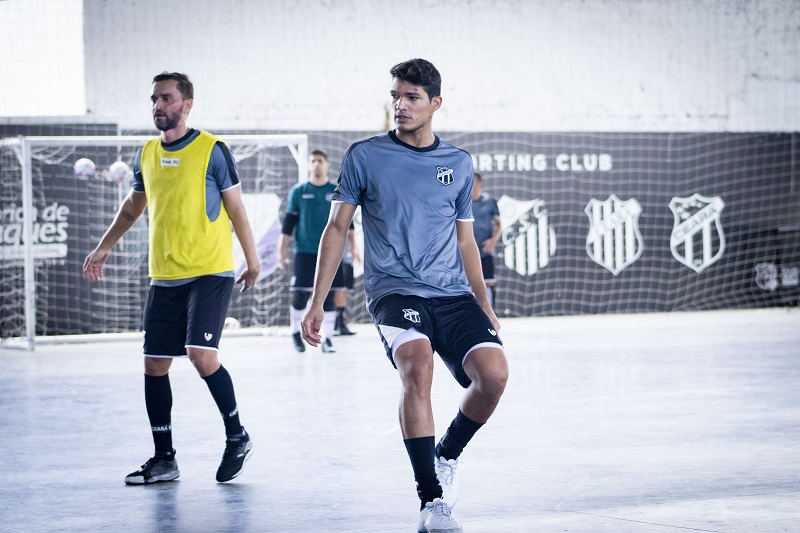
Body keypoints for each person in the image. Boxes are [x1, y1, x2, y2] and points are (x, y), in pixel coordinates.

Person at [301, 58, 509, 532]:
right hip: (394, 291)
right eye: (395, 95)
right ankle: (431, 500)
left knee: (493, 377)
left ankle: (446, 454)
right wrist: (317, 302)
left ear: (435, 104)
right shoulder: (364, 156)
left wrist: (483, 300)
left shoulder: (458, 164)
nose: (400, 104)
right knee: (417, 365)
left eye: (412, 97)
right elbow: (337, 228)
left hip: (452, 294)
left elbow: (464, 241)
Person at [83, 72, 260, 485]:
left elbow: (237, 210)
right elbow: (132, 207)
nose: (158, 106)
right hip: (164, 276)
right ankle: (165, 459)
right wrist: (104, 245)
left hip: (210, 271)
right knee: (154, 365)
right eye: (154, 99)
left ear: (187, 104)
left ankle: (237, 435)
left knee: (201, 355)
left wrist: (252, 261)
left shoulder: (213, 150)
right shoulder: (146, 153)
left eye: (166, 98)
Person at [278, 149, 343, 353]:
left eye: (320, 160)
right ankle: (295, 334)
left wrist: (354, 250)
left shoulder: (335, 190)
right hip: (304, 251)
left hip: (331, 252)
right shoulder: (298, 191)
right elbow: (288, 224)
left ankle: (328, 339)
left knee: (330, 296)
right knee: (300, 295)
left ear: (327, 165)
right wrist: (282, 249)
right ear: (308, 165)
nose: (316, 164)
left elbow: (345, 225)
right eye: (313, 161)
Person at [471, 172, 502, 310]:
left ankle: (490, 315)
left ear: (480, 183)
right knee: (467, 284)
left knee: (487, 283)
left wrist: (493, 240)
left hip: (484, 251)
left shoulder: (489, 202)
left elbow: (499, 224)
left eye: (474, 182)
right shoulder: (460, 202)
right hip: (465, 252)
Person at [333, 225, 360, 336]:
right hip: (334, 252)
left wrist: (354, 249)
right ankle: (336, 322)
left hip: (343, 253)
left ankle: (339, 322)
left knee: (342, 288)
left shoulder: (347, 208)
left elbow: (350, 230)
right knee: (338, 288)